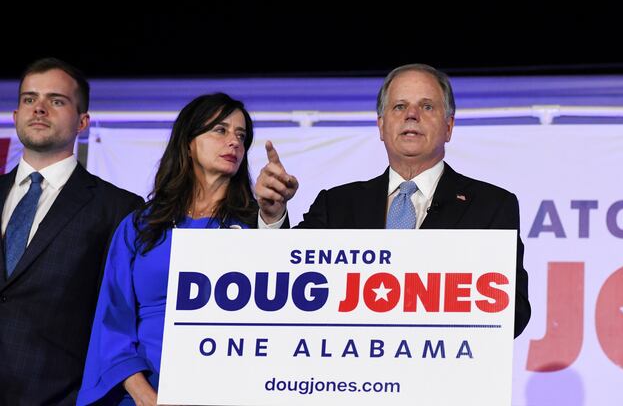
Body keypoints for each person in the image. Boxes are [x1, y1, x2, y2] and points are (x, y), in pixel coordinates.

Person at [255, 63, 530, 337]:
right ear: (381, 125)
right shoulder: (337, 205)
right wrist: (273, 215)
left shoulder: (491, 205)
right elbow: (282, 286)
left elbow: (514, 313)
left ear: (449, 126)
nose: (411, 115)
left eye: (427, 106)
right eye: (399, 106)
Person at [77, 93, 259, 405]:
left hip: (224, 390)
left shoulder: (253, 229)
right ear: (188, 142)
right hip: (141, 392)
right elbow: (112, 320)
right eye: (221, 130)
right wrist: (145, 395)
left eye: (241, 136)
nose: (234, 142)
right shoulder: (140, 227)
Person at [0, 58, 143, 405]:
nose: (39, 109)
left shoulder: (118, 208)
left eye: (56, 100)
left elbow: (120, 317)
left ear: (82, 121)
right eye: (29, 99)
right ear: (16, 115)